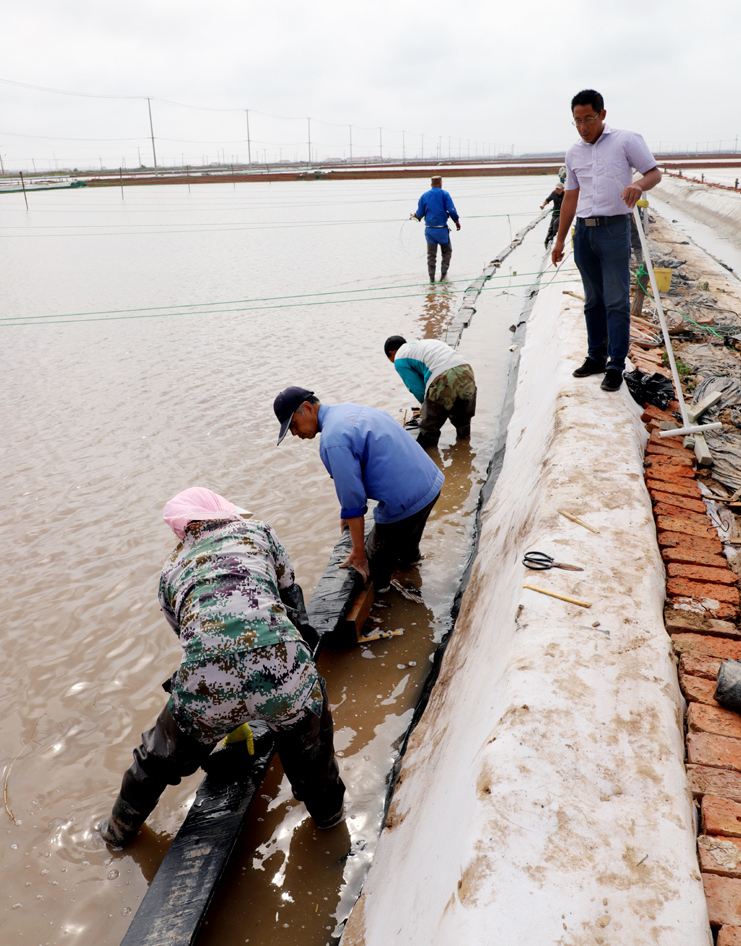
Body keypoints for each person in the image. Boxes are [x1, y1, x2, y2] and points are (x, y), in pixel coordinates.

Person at [99, 487, 345, 847]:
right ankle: (331, 822)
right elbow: (290, 599)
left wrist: (231, 712)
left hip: (207, 687)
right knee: (314, 757)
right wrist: (304, 679)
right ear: (221, 510)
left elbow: (193, 641)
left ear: (183, 527)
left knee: (154, 760)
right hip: (284, 669)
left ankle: (116, 833)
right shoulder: (258, 531)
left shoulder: (170, 570)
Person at [274, 387, 444, 593]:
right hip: (430, 483)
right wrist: (346, 514)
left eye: (293, 425)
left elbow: (354, 502)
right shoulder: (345, 410)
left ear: (308, 408)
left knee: (375, 562)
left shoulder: (332, 440)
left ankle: (385, 596)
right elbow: (348, 486)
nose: (294, 433)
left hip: (406, 499)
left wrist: (359, 553)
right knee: (406, 546)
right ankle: (412, 565)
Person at [552, 89, 662, 392]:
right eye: (577, 121)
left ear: (602, 114)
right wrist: (560, 240)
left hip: (614, 229)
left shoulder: (625, 140)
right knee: (593, 300)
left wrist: (638, 185)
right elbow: (570, 197)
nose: (583, 126)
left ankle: (615, 365)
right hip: (583, 232)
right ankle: (596, 357)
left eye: (588, 119)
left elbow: (654, 173)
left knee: (616, 300)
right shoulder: (573, 153)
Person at [383, 335, 477, 448]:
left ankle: (431, 456)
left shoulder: (399, 358)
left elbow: (417, 389)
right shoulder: (423, 344)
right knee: (462, 420)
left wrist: (425, 408)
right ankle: (464, 449)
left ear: (392, 353)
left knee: (428, 428)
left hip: (443, 376)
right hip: (466, 370)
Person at [412, 176, 461, 282]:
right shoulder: (445, 194)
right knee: (447, 252)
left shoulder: (424, 196)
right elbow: (451, 210)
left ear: (431, 184)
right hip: (442, 230)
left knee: (431, 256)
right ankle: (443, 277)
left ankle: (432, 280)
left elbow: (419, 214)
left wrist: (415, 216)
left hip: (429, 231)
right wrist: (456, 221)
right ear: (440, 184)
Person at [541, 182, 565, 249]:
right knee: (551, 227)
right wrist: (543, 205)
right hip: (555, 213)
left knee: (556, 223)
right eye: (557, 189)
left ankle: (553, 237)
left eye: (559, 189)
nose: (558, 190)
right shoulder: (553, 193)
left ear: (562, 189)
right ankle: (546, 241)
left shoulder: (565, 194)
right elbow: (547, 200)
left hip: (563, 214)